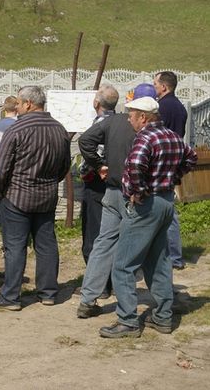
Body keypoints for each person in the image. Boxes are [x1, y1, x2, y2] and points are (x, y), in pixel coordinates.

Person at [99, 97, 197, 338]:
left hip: (147, 205)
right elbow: (191, 157)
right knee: (158, 261)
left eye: (132, 114)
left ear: (143, 117)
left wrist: (139, 192)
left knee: (123, 265)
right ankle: (163, 317)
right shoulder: (172, 136)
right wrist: (172, 179)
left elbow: (135, 165)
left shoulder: (145, 138)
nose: (129, 118)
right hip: (165, 201)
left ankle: (128, 322)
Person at [75, 83, 157, 318]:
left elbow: (85, 142)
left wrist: (98, 164)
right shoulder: (151, 129)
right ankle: (155, 305)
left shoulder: (114, 121)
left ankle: (88, 299)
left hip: (112, 191)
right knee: (142, 248)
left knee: (103, 243)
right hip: (136, 194)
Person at [0, 86, 70, 310]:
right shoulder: (59, 129)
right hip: (46, 195)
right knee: (46, 244)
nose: (17, 106)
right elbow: (65, 165)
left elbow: (0, 168)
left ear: (28, 104)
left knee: (15, 246)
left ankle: (11, 295)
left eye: (19, 102)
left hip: (17, 196)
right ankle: (48, 292)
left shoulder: (17, 129)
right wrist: (49, 182)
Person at [79, 85, 118, 286]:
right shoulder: (120, 122)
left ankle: (99, 283)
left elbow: (93, 148)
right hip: (113, 182)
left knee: (94, 231)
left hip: (97, 183)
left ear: (97, 103)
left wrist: (90, 168)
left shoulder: (102, 124)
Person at [153, 71, 188, 270]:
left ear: (164, 87)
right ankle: (173, 255)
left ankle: (170, 255)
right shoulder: (180, 108)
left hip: (159, 162)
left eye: (156, 84)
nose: (155, 88)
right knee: (169, 209)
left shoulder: (161, 108)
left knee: (162, 210)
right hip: (174, 160)